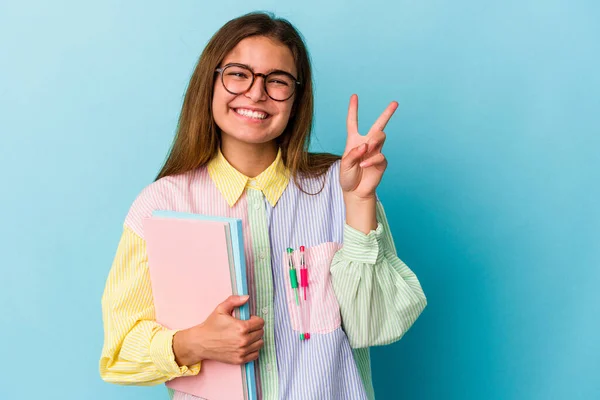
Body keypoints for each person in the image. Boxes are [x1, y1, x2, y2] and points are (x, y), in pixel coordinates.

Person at [99, 11, 427, 400]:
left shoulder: (344, 186)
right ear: (211, 81)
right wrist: (194, 343)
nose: (256, 93)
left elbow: (375, 324)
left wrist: (358, 202)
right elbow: (119, 352)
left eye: (277, 81)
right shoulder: (161, 205)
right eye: (239, 74)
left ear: (295, 99)